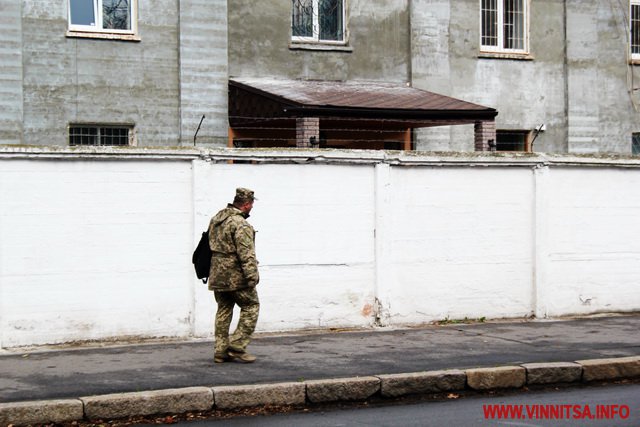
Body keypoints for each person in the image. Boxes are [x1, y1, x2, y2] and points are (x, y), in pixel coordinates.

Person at [208, 187, 260, 363]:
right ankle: (237, 346)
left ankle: (220, 351)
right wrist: (252, 276)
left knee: (223, 309)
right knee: (251, 306)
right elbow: (246, 253)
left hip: (217, 273)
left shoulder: (217, 219)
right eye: (251, 204)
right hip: (235, 276)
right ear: (247, 205)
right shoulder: (240, 224)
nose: (252, 207)